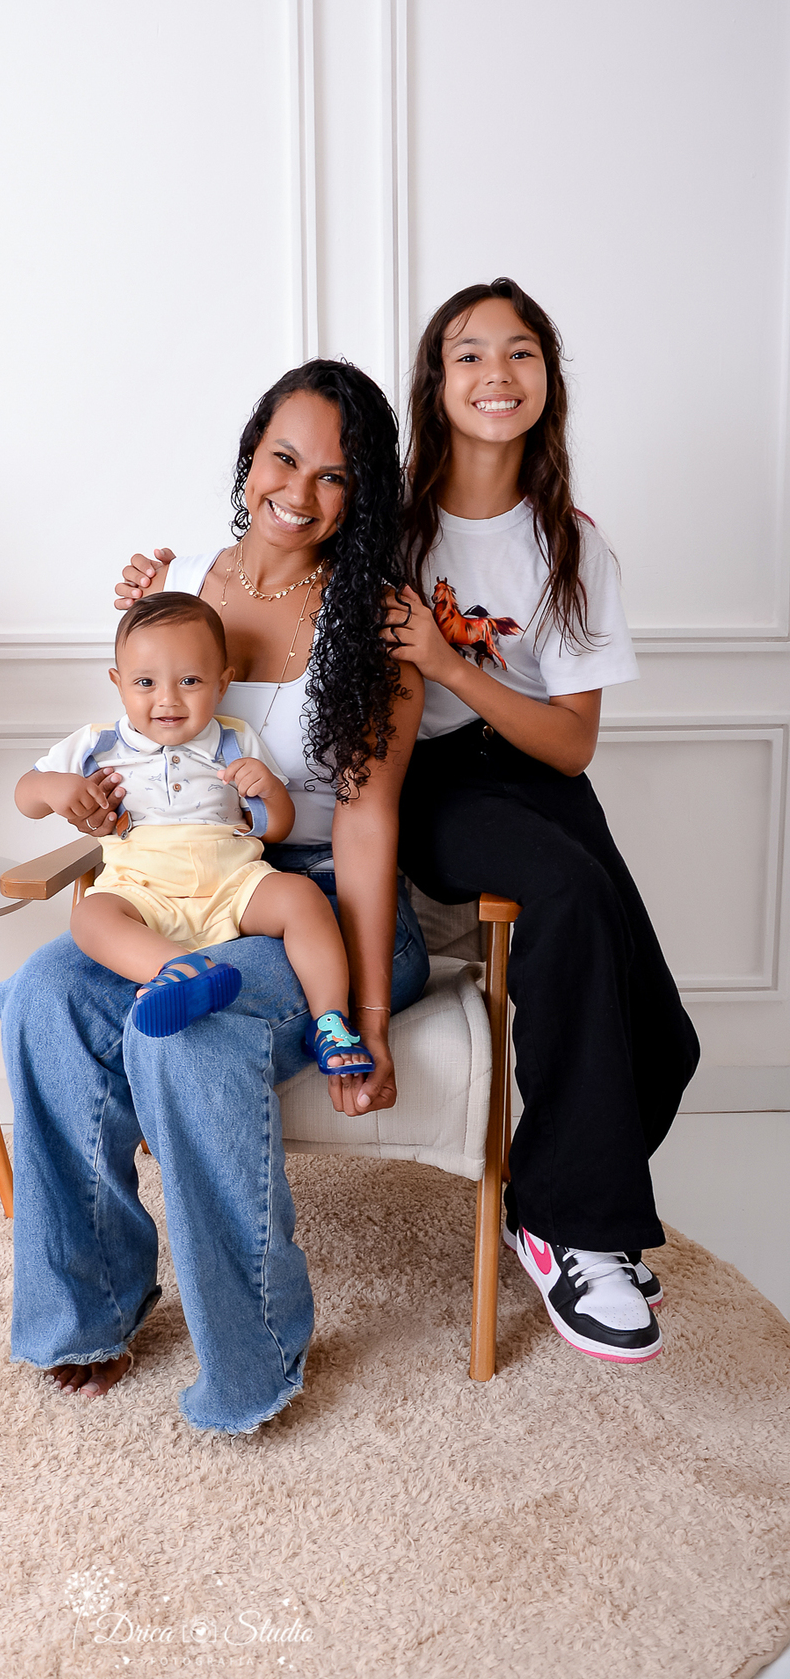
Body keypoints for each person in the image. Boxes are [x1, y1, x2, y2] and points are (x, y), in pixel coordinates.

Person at [0, 358, 428, 1430]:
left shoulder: (374, 622)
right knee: (48, 993)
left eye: (336, 476)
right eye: (285, 456)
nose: (301, 489)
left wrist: (364, 1016)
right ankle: (90, 1303)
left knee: (184, 1037)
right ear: (249, 458)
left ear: (360, 496)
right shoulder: (173, 576)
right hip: (169, 891)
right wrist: (92, 808)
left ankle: (258, 1354)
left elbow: (368, 825)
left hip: (316, 904)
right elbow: (130, 741)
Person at [389, 276, 700, 1364]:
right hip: (430, 782)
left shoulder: (573, 544)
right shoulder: (391, 526)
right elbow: (268, 559)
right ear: (437, 382)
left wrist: (448, 662)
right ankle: (580, 1232)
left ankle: (537, 1193)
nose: (495, 374)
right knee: (564, 896)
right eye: (469, 354)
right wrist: (160, 577)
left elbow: (571, 744)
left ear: (547, 382)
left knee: (669, 1038)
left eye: (520, 353)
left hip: (540, 775)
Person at [16, 589, 376, 1072]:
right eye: (145, 682)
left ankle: (331, 1022)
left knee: (303, 899)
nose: (167, 700)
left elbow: (275, 830)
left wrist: (268, 790)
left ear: (222, 683)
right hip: (141, 890)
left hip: (232, 882)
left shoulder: (234, 739)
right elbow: (24, 796)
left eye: (189, 680)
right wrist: (54, 787)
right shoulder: (94, 744)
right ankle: (176, 971)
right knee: (90, 917)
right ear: (117, 683)